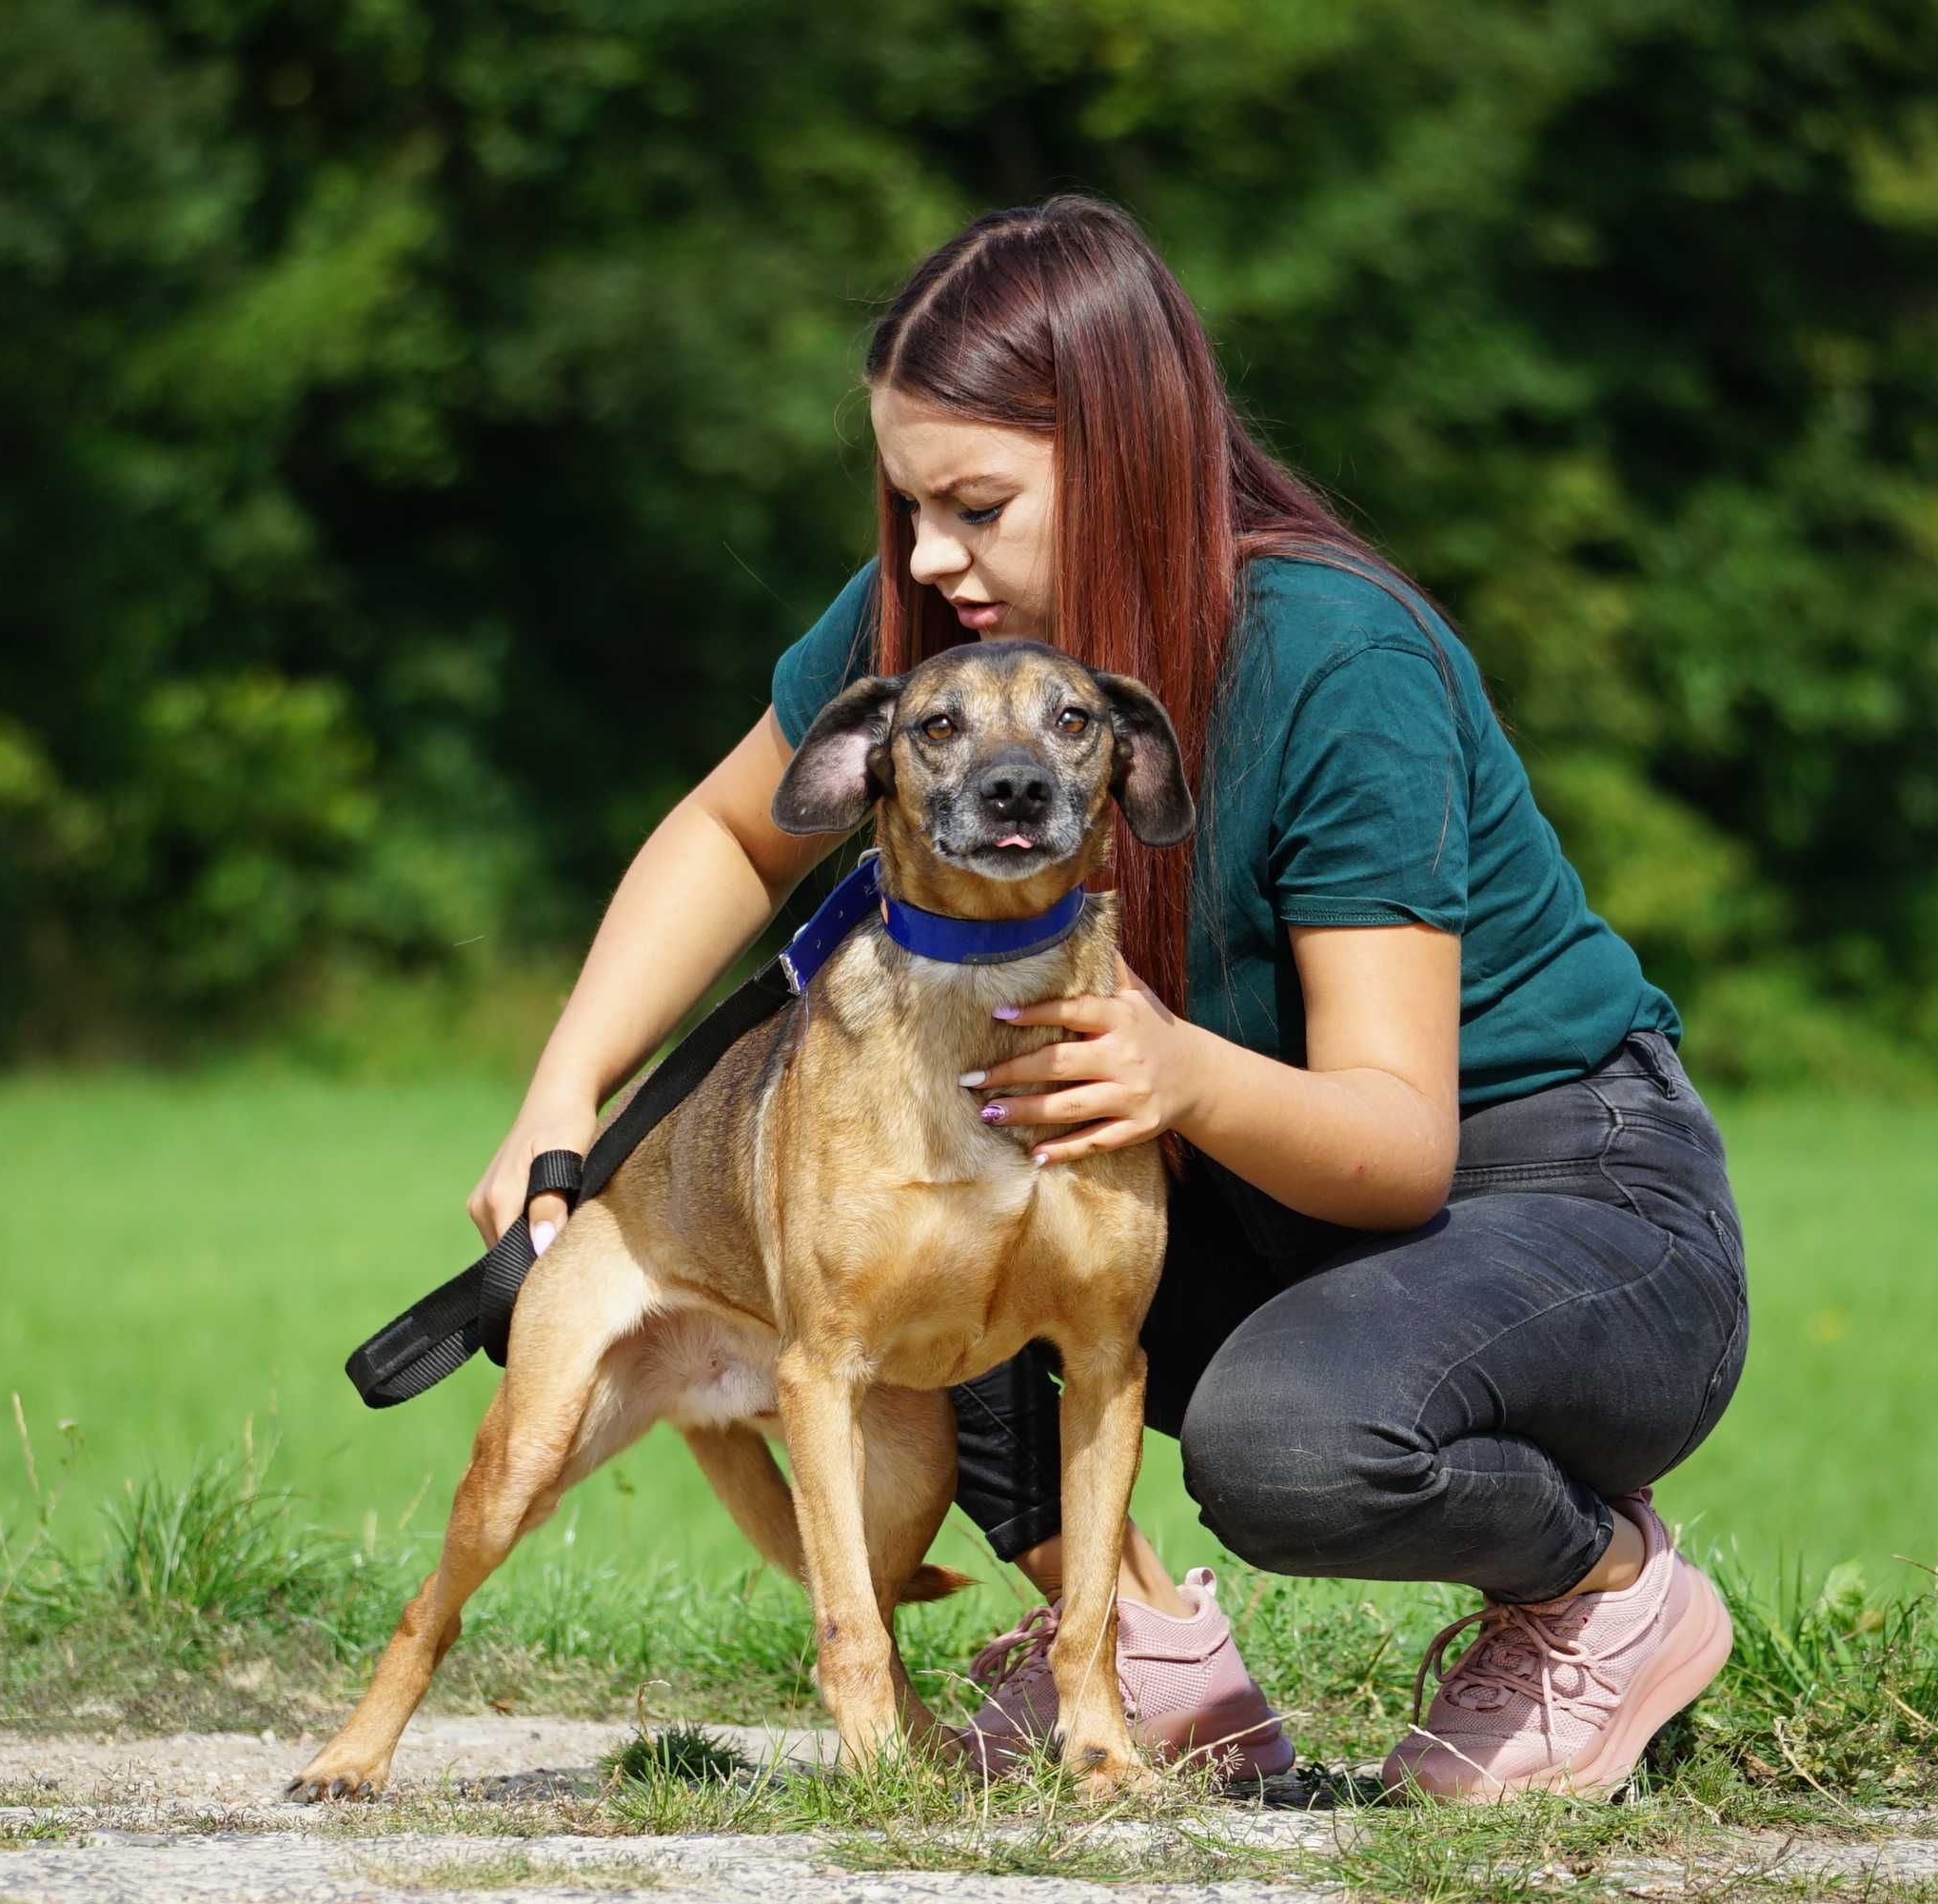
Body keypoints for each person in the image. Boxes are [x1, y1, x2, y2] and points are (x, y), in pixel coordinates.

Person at [467, 193, 1749, 1803]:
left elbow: (1399, 1138)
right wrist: (562, 1095)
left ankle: (1599, 1595)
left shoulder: (1336, 660)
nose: (931, 554)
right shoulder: (948, 633)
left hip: (1558, 1193)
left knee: (1291, 1446)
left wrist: (1175, 1073)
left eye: (976, 503)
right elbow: (735, 829)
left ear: (1126, 451)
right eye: (909, 503)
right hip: (1235, 1167)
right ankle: (1141, 1650)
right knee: (934, 1187)